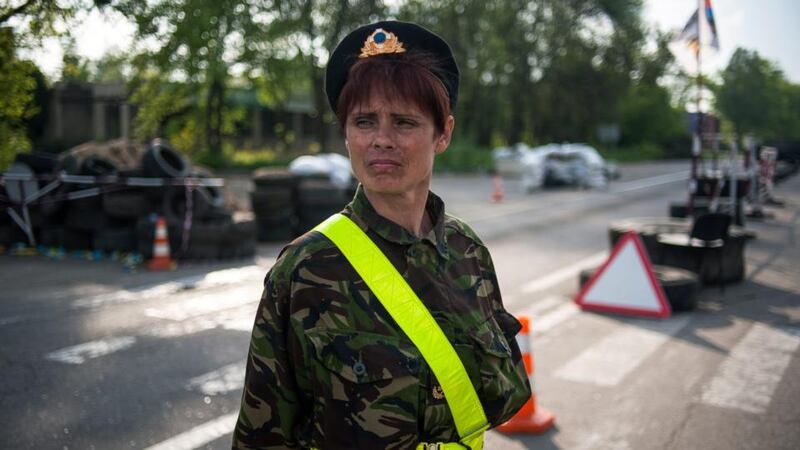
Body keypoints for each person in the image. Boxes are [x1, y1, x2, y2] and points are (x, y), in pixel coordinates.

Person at [233, 20, 530, 450]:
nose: (381, 140)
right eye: (365, 122)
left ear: (443, 133)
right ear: (347, 135)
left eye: (405, 122)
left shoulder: (469, 252)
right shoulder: (305, 271)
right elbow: (262, 438)